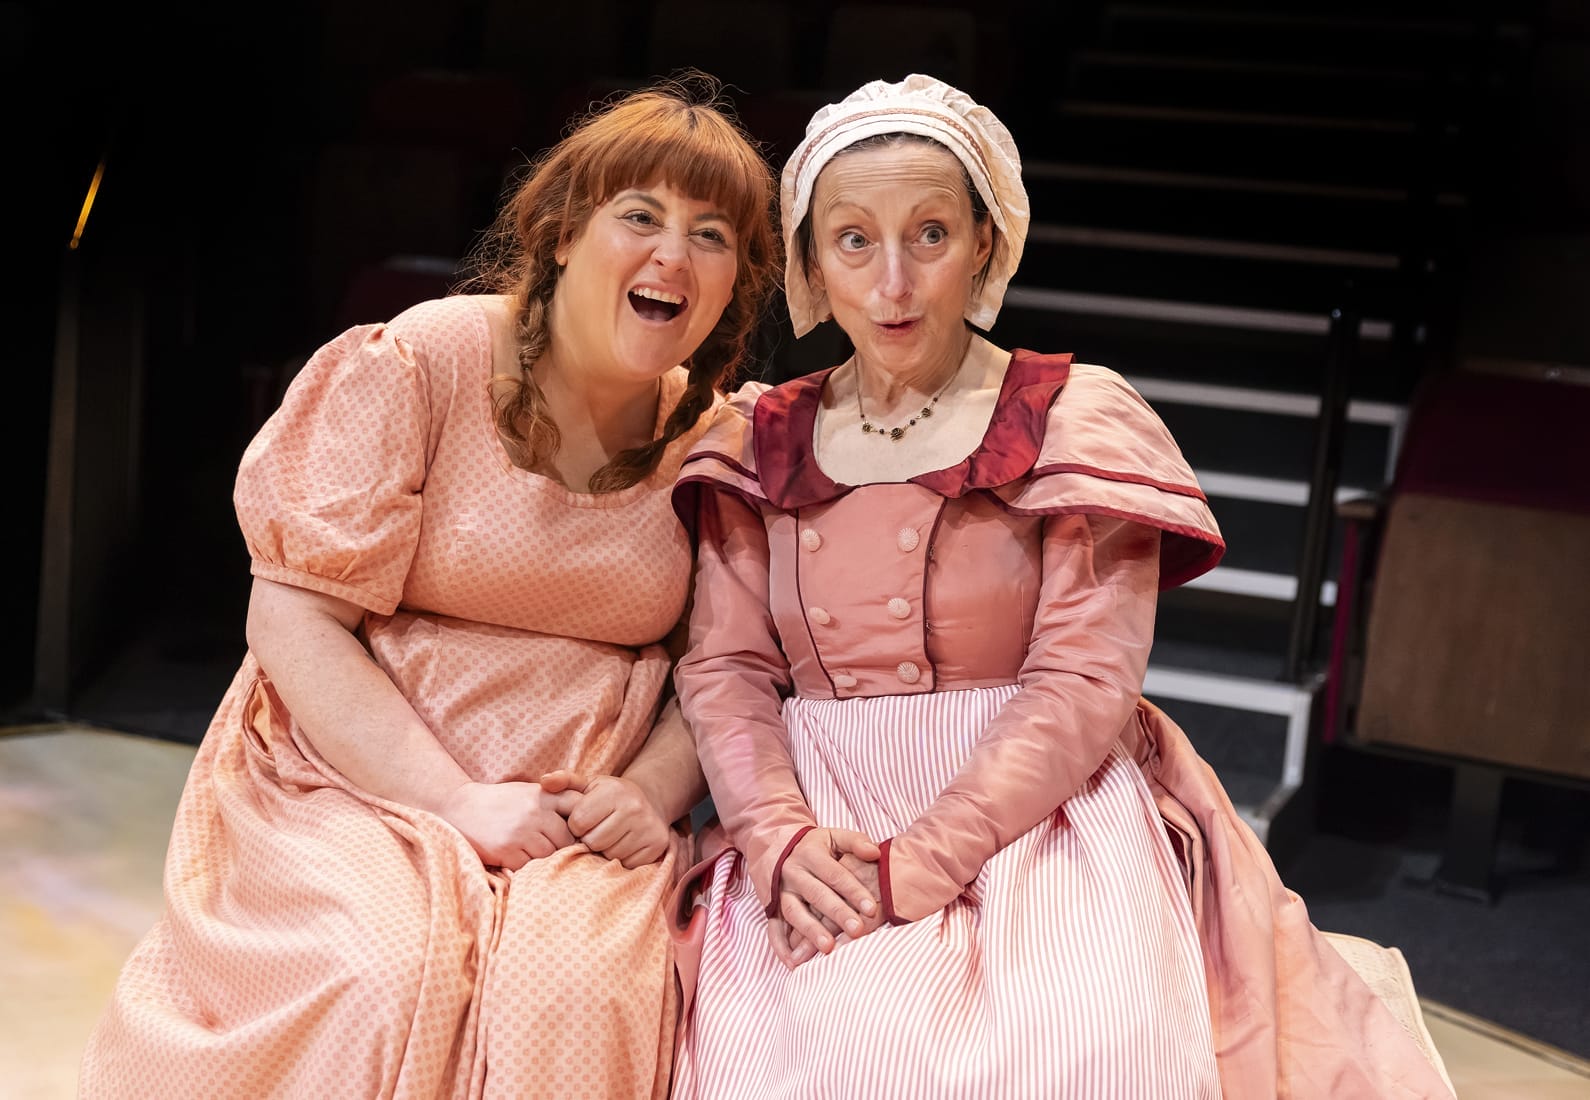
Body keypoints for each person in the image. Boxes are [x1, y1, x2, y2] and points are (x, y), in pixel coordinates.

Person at [667, 74, 1455, 1098]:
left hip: (1041, 808)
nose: (893, 281)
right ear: (812, 263)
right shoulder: (760, 439)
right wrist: (779, 840)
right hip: (823, 805)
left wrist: (928, 858)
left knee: (1085, 1046)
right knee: (814, 1050)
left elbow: (1084, 680)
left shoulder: (1072, 418)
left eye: (931, 234)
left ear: (987, 245)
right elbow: (726, 667)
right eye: (854, 241)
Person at [79, 75, 778, 1100]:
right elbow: (294, 612)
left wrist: (650, 792)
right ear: (562, 236)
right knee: (384, 968)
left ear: (731, 283)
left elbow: (718, 664)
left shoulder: (720, 436)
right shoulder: (425, 359)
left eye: (711, 235)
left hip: (582, 797)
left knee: (576, 992)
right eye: (641, 216)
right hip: (356, 769)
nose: (674, 254)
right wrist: (452, 798)